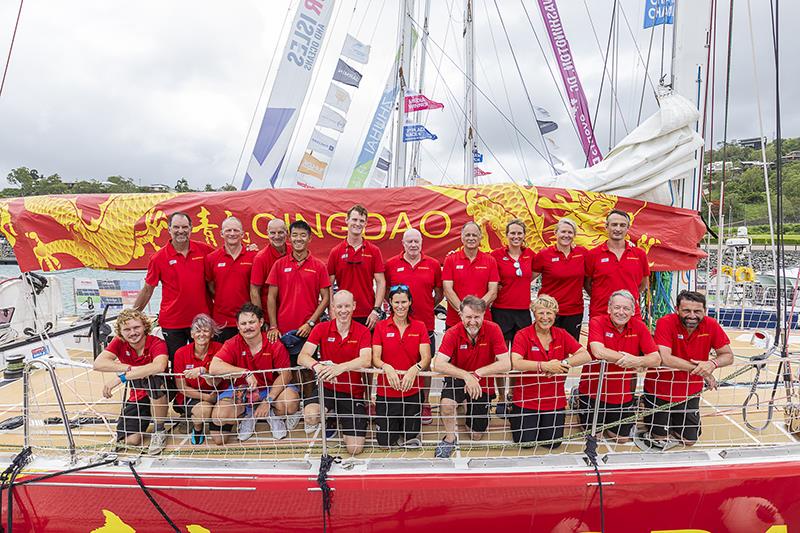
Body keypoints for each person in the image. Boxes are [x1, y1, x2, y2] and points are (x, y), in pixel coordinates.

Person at [641, 291, 733, 447]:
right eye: (686, 310)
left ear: (704, 311)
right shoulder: (666, 322)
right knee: (659, 437)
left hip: (689, 391)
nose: (692, 315)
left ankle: (668, 420)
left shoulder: (711, 325)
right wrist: (703, 371)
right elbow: (665, 358)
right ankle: (648, 407)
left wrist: (712, 364)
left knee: (689, 440)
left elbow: (728, 356)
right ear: (677, 309)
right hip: (660, 390)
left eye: (697, 311)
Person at [209, 303, 300, 444]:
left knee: (290, 403)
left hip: (270, 390)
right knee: (219, 419)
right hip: (243, 391)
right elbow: (214, 367)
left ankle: (272, 414)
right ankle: (249, 414)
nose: (248, 327)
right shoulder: (232, 343)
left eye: (252, 322)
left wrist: (268, 400)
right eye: (243, 323)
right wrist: (244, 372)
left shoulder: (273, 343)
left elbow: (286, 375)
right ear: (238, 326)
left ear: (261, 322)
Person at [576, 290, 660, 442]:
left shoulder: (639, 327)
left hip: (622, 395)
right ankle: (578, 399)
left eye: (626, 309)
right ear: (609, 309)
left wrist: (637, 361)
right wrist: (627, 359)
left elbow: (656, 359)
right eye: (617, 307)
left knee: (621, 439)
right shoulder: (597, 321)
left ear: (633, 311)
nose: (621, 312)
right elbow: (598, 351)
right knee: (596, 436)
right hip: (594, 392)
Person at [433, 296, 509, 458]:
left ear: (484, 315)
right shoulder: (452, 332)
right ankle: (449, 438)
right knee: (446, 406)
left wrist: (477, 374)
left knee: (475, 434)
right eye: (468, 317)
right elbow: (438, 364)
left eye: (477, 317)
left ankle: (470, 406)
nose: (472, 322)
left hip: (482, 380)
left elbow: (506, 363)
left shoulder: (494, 329)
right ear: (460, 315)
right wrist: (466, 376)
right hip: (458, 377)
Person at [510, 295, 590, 447]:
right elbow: (516, 362)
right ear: (534, 313)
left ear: (555, 315)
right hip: (526, 400)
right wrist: (544, 366)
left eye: (549, 313)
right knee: (525, 443)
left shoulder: (562, 334)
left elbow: (585, 355)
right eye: (541, 313)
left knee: (552, 444)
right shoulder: (523, 335)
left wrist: (562, 363)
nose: (545, 317)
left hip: (554, 400)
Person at [298, 290, 372, 456]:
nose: (343, 310)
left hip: (352, 392)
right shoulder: (321, 328)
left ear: (354, 306)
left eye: (347, 306)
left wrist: (340, 367)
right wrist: (317, 366)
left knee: (355, 449)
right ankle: (330, 417)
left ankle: (343, 418)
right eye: (339, 306)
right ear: (332, 307)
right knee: (310, 416)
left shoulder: (363, 331)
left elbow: (366, 359)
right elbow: (302, 356)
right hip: (327, 389)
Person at [133, 211, 213, 358]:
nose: (181, 231)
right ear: (169, 229)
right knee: (177, 365)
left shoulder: (205, 250)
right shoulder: (158, 258)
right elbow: (147, 290)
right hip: (173, 323)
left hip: (202, 321)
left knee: (205, 362)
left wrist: (250, 251)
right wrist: (132, 315)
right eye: (176, 227)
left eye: (184, 227)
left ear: (191, 228)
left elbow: (227, 260)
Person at [383, 228, 442, 424]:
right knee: (400, 363)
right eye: (409, 241)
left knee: (424, 365)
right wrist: (397, 308)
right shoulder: (391, 264)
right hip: (399, 325)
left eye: (416, 241)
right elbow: (385, 292)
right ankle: (399, 400)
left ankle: (424, 404)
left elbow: (439, 292)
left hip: (426, 325)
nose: (413, 245)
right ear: (403, 243)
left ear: (422, 242)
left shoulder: (433, 264)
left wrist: (428, 306)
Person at [93, 309, 169, 455]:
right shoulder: (119, 342)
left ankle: (159, 430)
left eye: (136, 328)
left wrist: (122, 377)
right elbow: (98, 363)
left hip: (160, 389)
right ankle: (145, 418)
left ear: (145, 327)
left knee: (154, 378)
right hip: (138, 393)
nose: (132, 333)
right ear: (121, 332)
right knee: (131, 440)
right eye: (127, 329)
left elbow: (159, 366)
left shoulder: (156, 342)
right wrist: (128, 368)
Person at [372, 285, 431, 448]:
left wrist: (415, 369)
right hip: (387, 392)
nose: (400, 306)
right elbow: (375, 358)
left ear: (410, 302)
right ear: (390, 302)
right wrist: (386, 367)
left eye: (404, 302)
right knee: (385, 443)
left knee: (410, 439)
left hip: (412, 391)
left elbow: (426, 357)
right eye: (396, 302)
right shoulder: (381, 327)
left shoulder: (420, 326)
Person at [490, 219, 535, 417]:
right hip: (501, 312)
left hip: (522, 313)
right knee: (501, 358)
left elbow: (531, 276)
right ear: (506, 236)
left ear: (524, 235)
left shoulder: (530, 256)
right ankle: (501, 397)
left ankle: (514, 396)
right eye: (512, 233)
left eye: (519, 233)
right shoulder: (496, 256)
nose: (516, 237)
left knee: (519, 359)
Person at [265, 220, 331, 353]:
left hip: (310, 329)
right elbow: (271, 297)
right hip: (284, 330)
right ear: (289, 238)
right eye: (295, 235)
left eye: (303, 235)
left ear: (310, 238)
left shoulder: (319, 266)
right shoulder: (279, 265)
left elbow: (326, 298)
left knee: (308, 371)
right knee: (286, 370)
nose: (298, 239)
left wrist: (310, 323)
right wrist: (273, 326)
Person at [327, 205, 386, 328]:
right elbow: (329, 286)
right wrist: (332, 311)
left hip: (368, 314)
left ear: (365, 224)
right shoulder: (335, 251)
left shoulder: (374, 251)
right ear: (347, 220)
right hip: (343, 313)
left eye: (361, 221)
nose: (357, 224)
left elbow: (381, 282)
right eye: (354, 219)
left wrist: (376, 310)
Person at [584, 209, 650, 320]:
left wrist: (626, 300)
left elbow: (643, 284)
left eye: (622, 225)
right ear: (606, 227)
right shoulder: (593, 254)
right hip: (601, 314)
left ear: (628, 228)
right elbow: (587, 284)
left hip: (631, 315)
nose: (618, 229)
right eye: (614, 225)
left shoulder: (640, 254)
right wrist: (603, 298)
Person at [173, 314, 227, 445]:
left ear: (212, 334)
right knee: (203, 410)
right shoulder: (181, 353)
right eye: (197, 330)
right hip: (196, 394)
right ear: (191, 334)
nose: (201, 334)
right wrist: (206, 397)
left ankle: (218, 418)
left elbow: (218, 380)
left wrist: (204, 371)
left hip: (220, 393)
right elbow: (182, 387)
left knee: (220, 440)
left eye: (205, 330)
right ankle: (197, 428)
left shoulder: (221, 348)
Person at [532, 218, 588, 341]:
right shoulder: (544, 255)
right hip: (548, 311)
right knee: (547, 347)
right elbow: (527, 279)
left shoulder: (582, 253)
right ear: (555, 233)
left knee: (571, 349)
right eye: (563, 232)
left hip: (573, 311)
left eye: (570, 232)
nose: (566, 235)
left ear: (574, 235)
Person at [205, 216, 257, 342]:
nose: (232, 234)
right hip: (222, 321)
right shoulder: (211, 258)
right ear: (222, 233)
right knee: (223, 359)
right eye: (228, 231)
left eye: (235, 230)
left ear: (242, 234)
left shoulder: (254, 256)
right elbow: (211, 286)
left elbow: (257, 289)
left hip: (247, 321)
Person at [441, 222, 499, 330]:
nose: (471, 238)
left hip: (482, 320)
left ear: (480, 237)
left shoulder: (490, 261)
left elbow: (493, 292)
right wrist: (464, 312)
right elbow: (447, 290)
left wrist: (475, 313)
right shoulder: (450, 260)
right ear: (462, 238)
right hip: (455, 320)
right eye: (467, 235)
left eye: (474, 235)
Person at [250, 218, 288, 311]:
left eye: (280, 232)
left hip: (291, 312)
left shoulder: (294, 252)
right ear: (267, 234)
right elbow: (254, 292)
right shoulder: (261, 258)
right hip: (269, 316)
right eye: (272, 233)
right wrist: (260, 319)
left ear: (287, 232)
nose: (277, 236)